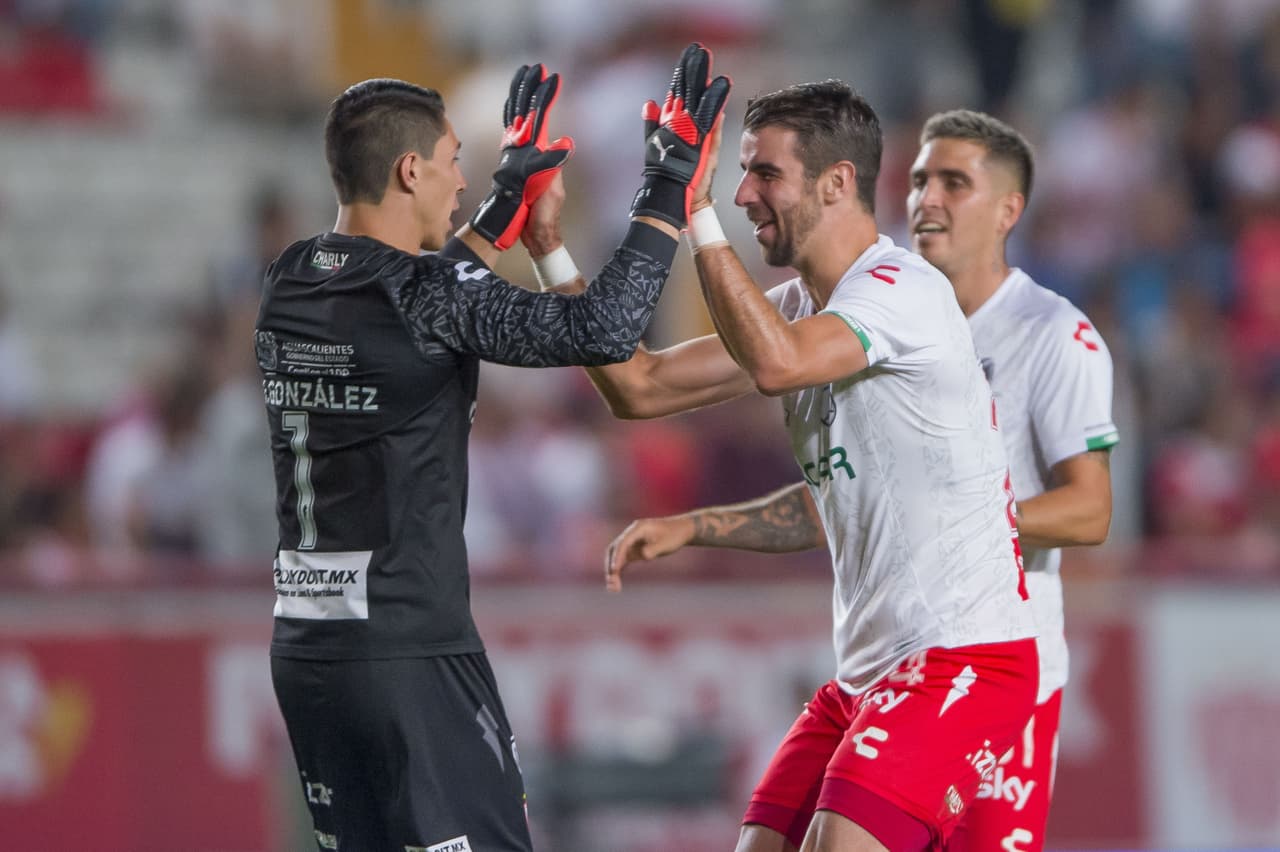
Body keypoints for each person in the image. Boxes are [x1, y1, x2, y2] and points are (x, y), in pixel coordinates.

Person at [539, 78, 1039, 851]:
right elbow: (636, 387)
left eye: (763, 173)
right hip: (869, 677)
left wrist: (694, 208)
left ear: (838, 183)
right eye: (737, 174)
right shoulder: (804, 310)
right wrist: (549, 248)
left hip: (963, 660)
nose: (742, 194)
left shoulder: (901, 291)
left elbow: (775, 366)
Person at [254, 49, 729, 852]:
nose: (462, 182)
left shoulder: (290, 280)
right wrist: (666, 191)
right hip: (412, 654)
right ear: (410, 171)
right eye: (453, 164)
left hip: (308, 650)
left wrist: (508, 202)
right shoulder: (430, 301)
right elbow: (605, 329)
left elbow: (416, 297)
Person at [908, 109, 1117, 852]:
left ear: (1007, 210)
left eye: (952, 182)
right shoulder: (890, 325)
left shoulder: (1052, 333)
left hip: (1005, 666)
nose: (924, 198)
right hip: (900, 656)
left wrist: (952, 519)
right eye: (918, 179)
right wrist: (699, 526)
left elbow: (1090, 511)